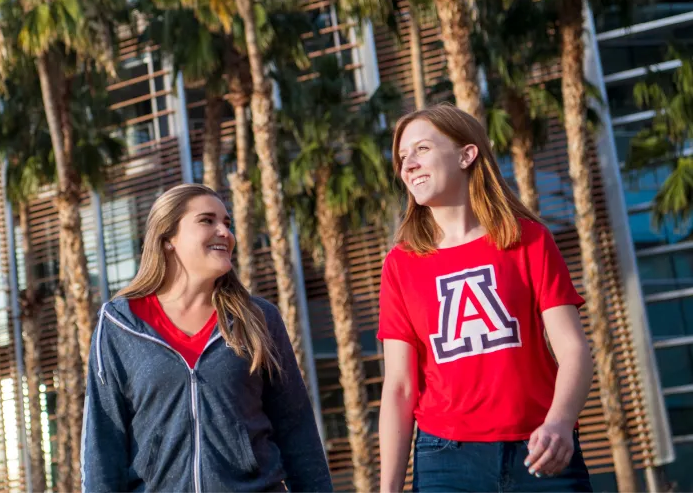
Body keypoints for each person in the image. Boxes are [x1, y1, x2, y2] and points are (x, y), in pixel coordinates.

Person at [378, 103, 595, 492]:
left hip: (542, 451)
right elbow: (399, 386)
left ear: (467, 154)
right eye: (402, 156)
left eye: (422, 149)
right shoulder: (400, 264)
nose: (407, 164)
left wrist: (560, 421)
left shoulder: (529, 240)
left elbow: (574, 350)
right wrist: (388, 488)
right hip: (445, 461)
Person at [81, 183, 333, 492]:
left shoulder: (258, 319)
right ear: (168, 238)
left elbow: (298, 432)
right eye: (207, 220)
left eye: (227, 223)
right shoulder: (120, 325)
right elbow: (102, 442)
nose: (225, 232)